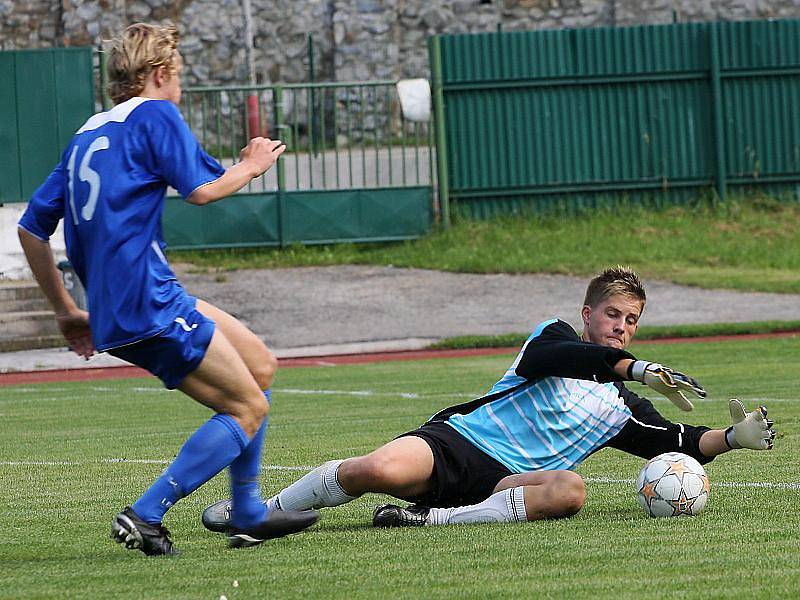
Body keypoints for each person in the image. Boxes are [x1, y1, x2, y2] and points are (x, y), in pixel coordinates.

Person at [17, 22, 318, 556]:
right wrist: (251, 166)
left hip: (120, 305)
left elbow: (31, 229)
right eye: (178, 77)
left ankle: (247, 510)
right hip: (147, 299)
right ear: (160, 74)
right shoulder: (156, 113)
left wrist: (67, 310)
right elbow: (203, 191)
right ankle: (147, 513)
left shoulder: (88, 133)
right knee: (248, 407)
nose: (179, 89)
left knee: (261, 366)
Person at [201, 266, 775, 531]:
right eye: (612, 314)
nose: (621, 326)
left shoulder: (621, 408)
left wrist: (733, 439)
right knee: (373, 468)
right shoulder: (552, 338)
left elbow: (675, 441)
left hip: (506, 486)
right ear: (588, 314)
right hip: (459, 445)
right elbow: (581, 361)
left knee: (570, 489)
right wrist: (639, 369)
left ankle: (432, 521)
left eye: (632, 320)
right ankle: (264, 511)